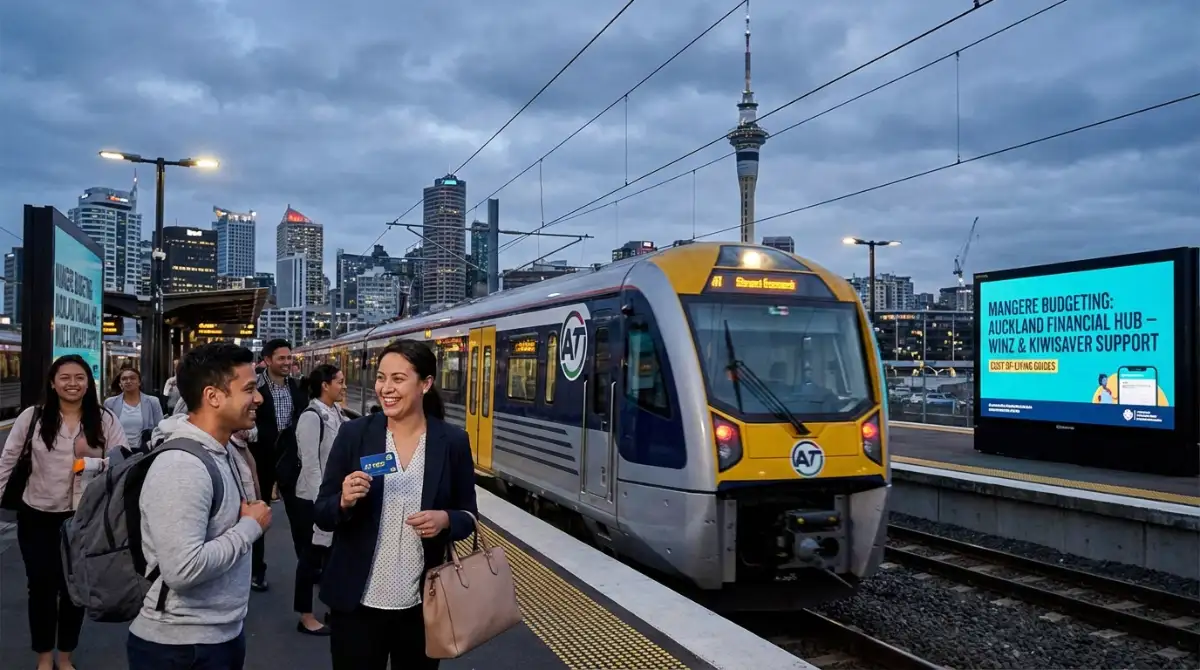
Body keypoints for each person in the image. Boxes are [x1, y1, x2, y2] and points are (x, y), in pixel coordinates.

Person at [315, 339, 478, 670]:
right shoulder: (355, 435)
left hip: (421, 605)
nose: (385, 388)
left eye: (398, 379)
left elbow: (469, 517)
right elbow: (322, 512)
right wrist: (344, 501)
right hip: (356, 605)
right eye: (380, 377)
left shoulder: (452, 443)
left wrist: (446, 519)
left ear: (426, 384)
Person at [126, 342, 272, 670]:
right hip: (182, 648)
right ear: (213, 396)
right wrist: (250, 527)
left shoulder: (221, 450)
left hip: (210, 637)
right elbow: (183, 570)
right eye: (249, 389)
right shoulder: (183, 466)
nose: (259, 398)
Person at [0, 354, 127, 670]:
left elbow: (122, 463)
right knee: (40, 587)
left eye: (79, 377)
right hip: (38, 514)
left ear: (88, 382)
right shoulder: (33, 417)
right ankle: (44, 657)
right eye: (65, 377)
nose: (73, 383)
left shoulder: (105, 419)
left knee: (75, 588)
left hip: (84, 518)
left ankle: (66, 656)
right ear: (53, 383)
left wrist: (93, 463)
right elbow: (8, 460)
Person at [289, 364, 349, 636]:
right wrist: (321, 503)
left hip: (332, 499)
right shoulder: (311, 417)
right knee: (310, 559)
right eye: (340, 381)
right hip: (312, 500)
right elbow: (311, 465)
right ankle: (305, 616)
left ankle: (332, 609)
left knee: (333, 558)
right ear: (325, 385)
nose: (343, 386)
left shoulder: (335, 412)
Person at [251, 338, 308, 591]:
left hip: (290, 461)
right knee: (257, 516)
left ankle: (308, 566)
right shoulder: (255, 388)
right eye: (281, 358)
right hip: (260, 459)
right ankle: (256, 570)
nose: (287, 363)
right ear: (267, 360)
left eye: (289, 358)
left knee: (300, 514)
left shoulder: (295, 388)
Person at [105, 366, 165, 457]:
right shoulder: (110, 403)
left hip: (144, 452)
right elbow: (105, 430)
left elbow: (160, 427)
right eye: (124, 379)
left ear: (139, 382)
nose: (128, 381)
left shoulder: (152, 402)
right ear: (120, 383)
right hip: (119, 452)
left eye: (132, 378)